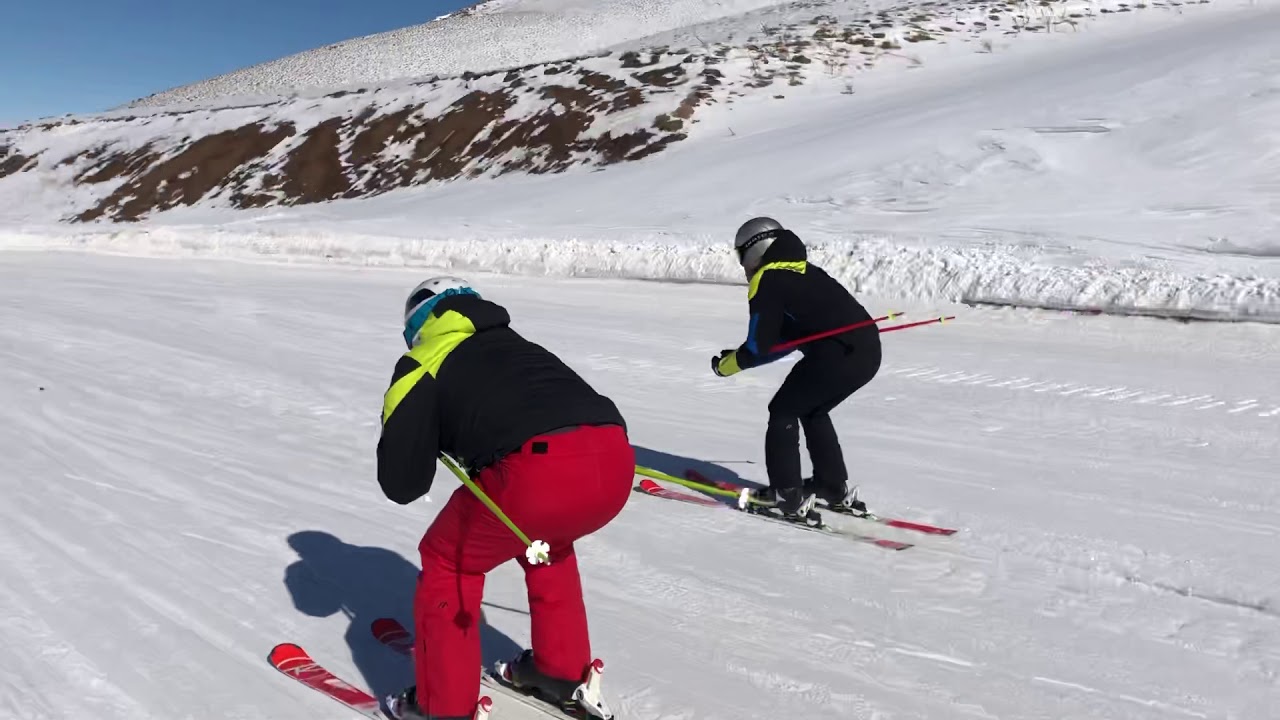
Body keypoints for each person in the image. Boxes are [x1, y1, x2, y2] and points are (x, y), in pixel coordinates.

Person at [377, 276, 633, 720]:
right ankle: (560, 669)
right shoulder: (517, 345)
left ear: (416, 326)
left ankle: (445, 705)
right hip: (614, 459)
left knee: (449, 559)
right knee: (547, 546)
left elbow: (402, 484)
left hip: (537, 471)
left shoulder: (422, 361)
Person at [710, 217, 882, 518]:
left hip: (834, 356)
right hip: (866, 352)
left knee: (783, 410)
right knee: (812, 409)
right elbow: (783, 342)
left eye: (741, 256)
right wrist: (742, 356)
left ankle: (785, 495)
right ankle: (831, 486)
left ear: (755, 249)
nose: (743, 266)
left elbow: (759, 347)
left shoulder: (768, 279)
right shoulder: (805, 271)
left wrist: (727, 366)